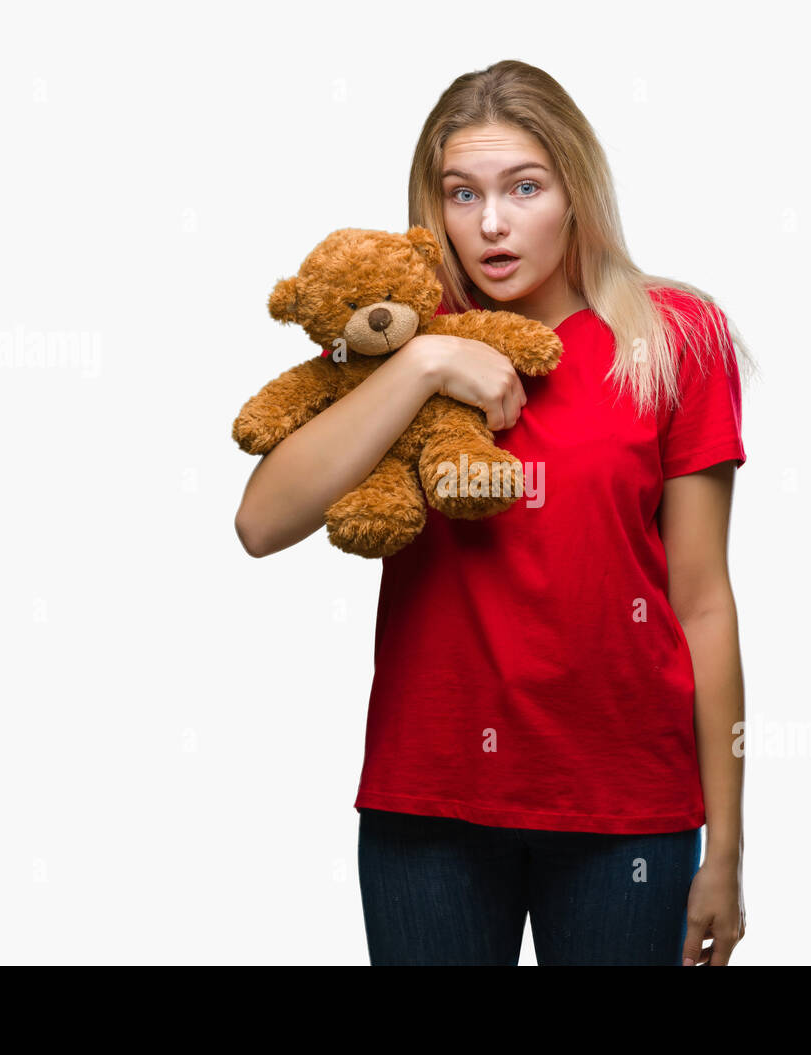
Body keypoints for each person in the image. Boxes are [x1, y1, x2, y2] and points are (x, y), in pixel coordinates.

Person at [235, 60, 755, 966]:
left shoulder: (675, 339)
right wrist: (424, 366)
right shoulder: (390, 340)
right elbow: (261, 523)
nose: (492, 222)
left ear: (575, 192)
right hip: (428, 801)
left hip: (626, 807)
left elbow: (703, 602)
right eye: (461, 193)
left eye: (525, 187)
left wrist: (728, 849)